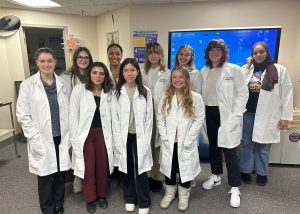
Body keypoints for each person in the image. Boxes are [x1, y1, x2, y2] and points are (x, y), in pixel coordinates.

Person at [16, 47, 71, 214]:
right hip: (41, 136)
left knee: (61, 172)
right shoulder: (28, 85)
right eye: (42, 61)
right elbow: (22, 114)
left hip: (61, 135)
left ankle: (58, 204)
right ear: (37, 63)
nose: (46, 64)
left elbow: (69, 109)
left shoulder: (63, 83)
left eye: (49, 61)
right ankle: (47, 208)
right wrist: (34, 136)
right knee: (45, 175)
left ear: (55, 62)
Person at [200, 39, 248, 208]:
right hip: (210, 113)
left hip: (227, 116)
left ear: (223, 52)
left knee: (230, 151)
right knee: (213, 146)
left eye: (218, 50)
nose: (214, 53)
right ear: (207, 53)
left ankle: (235, 187)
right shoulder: (204, 71)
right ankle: (215, 175)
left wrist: (235, 115)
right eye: (211, 50)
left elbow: (243, 94)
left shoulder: (233, 69)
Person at [239, 42, 293, 186]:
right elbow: (238, 85)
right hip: (248, 113)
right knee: (246, 143)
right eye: (255, 52)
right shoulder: (247, 69)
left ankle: (262, 172)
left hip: (268, 114)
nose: (258, 55)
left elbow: (287, 94)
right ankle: (245, 170)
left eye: (261, 51)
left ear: (267, 52)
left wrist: (285, 117)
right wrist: (247, 66)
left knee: (264, 146)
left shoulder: (280, 70)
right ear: (252, 55)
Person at [156, 66, 205, 212]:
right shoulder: (166, 96)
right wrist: (164, 136)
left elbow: (199, 119)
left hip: (186, 142)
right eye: (174, 77)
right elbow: (160, 117)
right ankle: (170, 193)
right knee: (170, 169)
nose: (177, 80)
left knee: (185, 169)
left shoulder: (196, 97)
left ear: (186, 79)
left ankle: (184, 195)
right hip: (169, 142)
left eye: (180, 77)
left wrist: (190, 138)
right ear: (171, 80)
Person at [69, 62, 115, 213]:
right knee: (88, 167)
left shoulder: (110, 91)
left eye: (101, 73)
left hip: (103, 133)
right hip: (86, 134)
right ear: (89, 74)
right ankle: (90, 198)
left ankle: (102, 195)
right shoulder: (79, 90)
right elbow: (73, 116)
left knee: (102, 166)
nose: (98, 76)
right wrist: (75, 138)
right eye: (95, 72)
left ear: (105, 76)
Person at [111, 58, 153, 214]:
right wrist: (117, 139)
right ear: (122, 72)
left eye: (132, 70)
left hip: (140, 135)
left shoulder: (145, 91)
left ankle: (144, 201)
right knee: (126, 167)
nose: (129, 73)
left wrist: (146, 139)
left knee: (141, 168)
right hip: (124, 136)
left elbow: (149, 119)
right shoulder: (117, 91)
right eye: (126, 70)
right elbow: (114, 118)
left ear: (137, 72)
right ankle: (129, 198)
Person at [60, 46, 93, 193]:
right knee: (76, 149)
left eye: (86, 58)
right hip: (73, 118)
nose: (83, 60)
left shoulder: (94, 74)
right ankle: (77, 178)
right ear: (75, 59)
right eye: (80, 57)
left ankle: (91, 178)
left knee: (89, 150)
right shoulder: (66, 77)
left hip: (90, 119)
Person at [141, 42, 171, 192]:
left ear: (161, 55)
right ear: (146, 55)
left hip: (161, 113)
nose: (153, 55)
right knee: (146, 144)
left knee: (159, 146)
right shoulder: (141, 71)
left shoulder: (168, 73)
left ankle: (157, 177)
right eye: (150, 52)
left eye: (156, 52)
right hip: (145, 114)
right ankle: (146, 174)